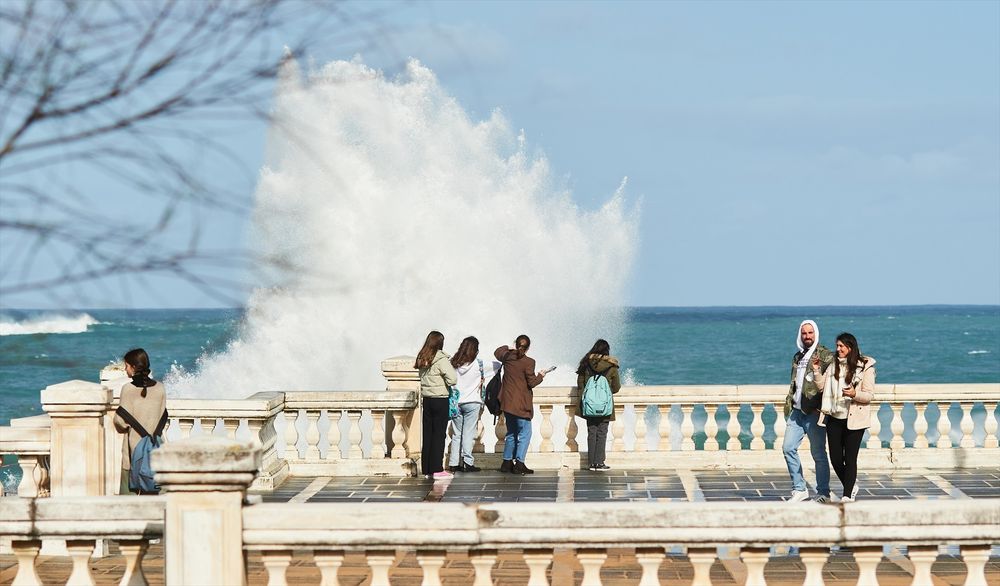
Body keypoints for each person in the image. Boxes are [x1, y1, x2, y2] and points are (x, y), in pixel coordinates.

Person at [814, 332, 875, 503]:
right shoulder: (833, 364)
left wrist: (855, 394)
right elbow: (821, 388)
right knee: (835, 459)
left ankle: (847, 495)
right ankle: (852, 485)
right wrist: (817, 370)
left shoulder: (865, 366)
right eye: (837, 346)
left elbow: (869, 395)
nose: (838, 349)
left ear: (850, 347)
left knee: (850, 458)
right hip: (834, 417)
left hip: (854, 418)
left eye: (841, 346)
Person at [782, 320, 834, 503]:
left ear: (816, 334)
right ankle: (799, 488)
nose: (807, 336)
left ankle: (823, 492)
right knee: (788, 448)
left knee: (818, 453)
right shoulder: (797, 357)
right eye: (804, 333)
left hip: (814, 412)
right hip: (796, 412)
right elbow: (794, 384)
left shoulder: (826, 356)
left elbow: (831, 384)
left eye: (810, 333)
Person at [113, 348, 167, 495]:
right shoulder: (160, 388)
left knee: (128, 498)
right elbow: (163, 416)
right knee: (156, 492)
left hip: (132, 451)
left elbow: (121, 422)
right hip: (155, 448)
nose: (125, 369)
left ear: (134, 367)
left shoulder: (128, 389)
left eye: (126, 366)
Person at [495, 335, 547, 474]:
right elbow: (532, 382)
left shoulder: (507, 357)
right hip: (521, 405)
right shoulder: (529, 362)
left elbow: (497, 351)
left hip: (507, 403)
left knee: (511, 433)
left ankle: (506, 463)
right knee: (525, 433)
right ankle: (519, 463)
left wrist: (509, 347)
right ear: (528, 348)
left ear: (516, 344)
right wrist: (541, 375)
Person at [447, 336, 501, 473]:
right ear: (475, 350)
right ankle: (467, 462)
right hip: (473, 402)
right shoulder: (480, 365)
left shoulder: (453, 364)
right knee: (468, 433)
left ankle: (453, 463)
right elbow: (499, 365)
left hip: (456, 402)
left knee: (457, 433)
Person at [415, 330, 458, 480]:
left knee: (428, 434)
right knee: (439, 435)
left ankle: (427, 469)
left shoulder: (422, 357)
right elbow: (452, 379)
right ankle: (437, 469)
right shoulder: (441, 359)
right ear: (440, 343)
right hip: (440, 400)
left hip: (427, 400)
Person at [576, 339, 621, 471]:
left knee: (592, 432)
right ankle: (599, 462)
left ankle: (591, 463)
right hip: (604, 406)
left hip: (589, 405)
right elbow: (616, 387)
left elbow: (580, 384)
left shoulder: (586, 364)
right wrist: (604, 395)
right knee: (602, 432)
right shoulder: (612, 367)